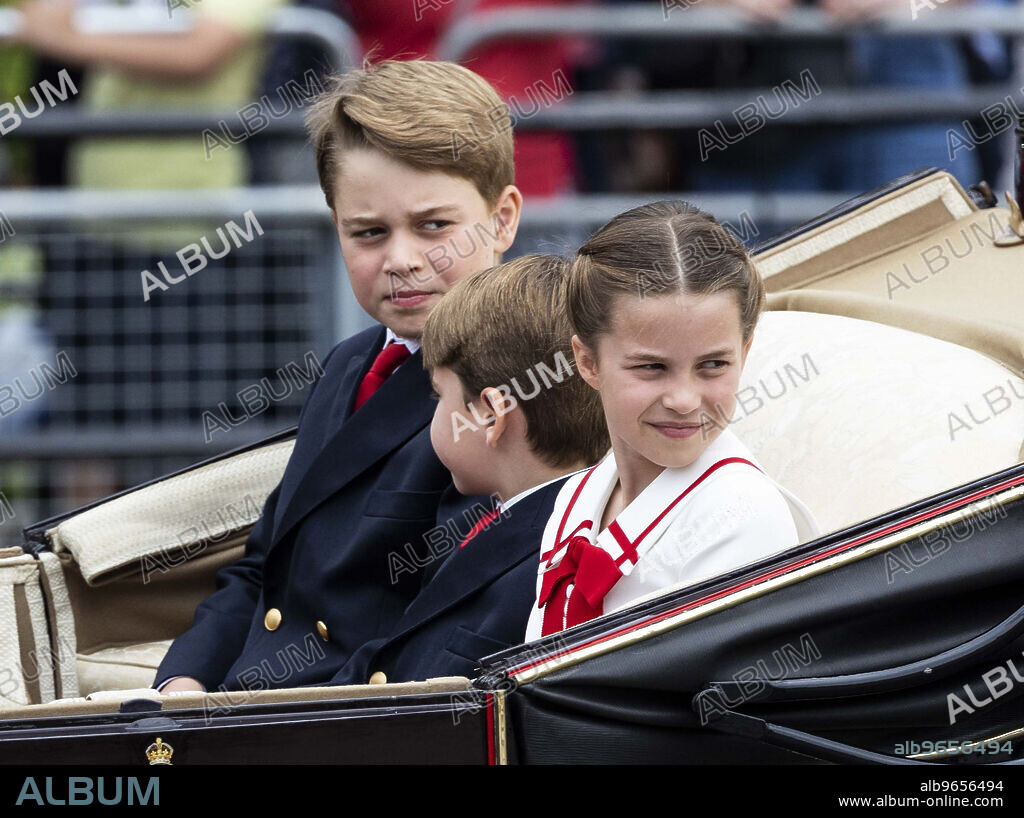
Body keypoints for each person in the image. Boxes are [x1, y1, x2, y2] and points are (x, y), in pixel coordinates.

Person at [155, 59, 523, 693]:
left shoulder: (522, 386)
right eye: (369, 233)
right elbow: (268, 567)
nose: (402, 260)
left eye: (434, 225)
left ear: (502, 219)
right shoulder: (351, 363)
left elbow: (455, 618)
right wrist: (184, 680)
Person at [525, 202, 819, 640]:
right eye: (651, 368)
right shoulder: (577, 496)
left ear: (745, 351)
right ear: (587, 361)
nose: (684, 400)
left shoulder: (743, 515)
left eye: (714, 364)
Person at [330, 254, 609, 684]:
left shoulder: (548, 564)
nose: (435, 414)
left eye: (438, 396)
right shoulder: (514, 520)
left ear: (490, 416)